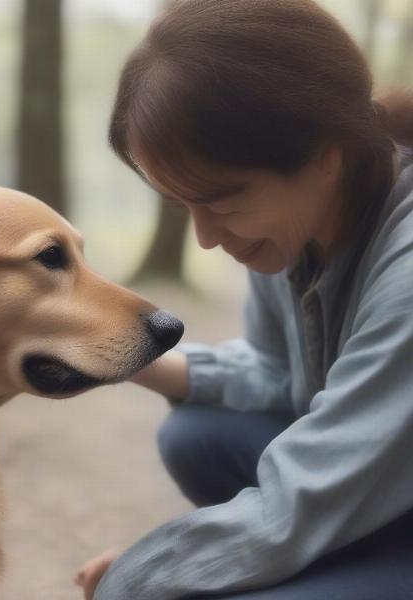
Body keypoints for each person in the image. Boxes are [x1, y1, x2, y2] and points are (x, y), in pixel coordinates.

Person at [74, 0, 413, 599]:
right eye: (185, 208)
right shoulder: (293, 228)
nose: (206, 238)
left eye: (222, 202)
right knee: (196, 434)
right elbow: (281, 373)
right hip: (380, 489)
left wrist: (133, 579)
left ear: (324, 155)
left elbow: (295, 506)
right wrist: (121, 353)